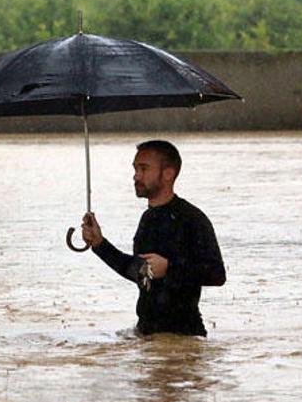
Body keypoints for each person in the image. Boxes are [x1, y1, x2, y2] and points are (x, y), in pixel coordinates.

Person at [81, 140, 226, 337]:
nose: (136, 176)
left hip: (183, 339)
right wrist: (99, 244)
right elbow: (140, 273)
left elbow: (217, 275)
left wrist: (169, 268)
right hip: (146, 335)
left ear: (168, 174)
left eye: (143, 169)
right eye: (135, 169)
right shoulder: (147, 219)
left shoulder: (192, 219)